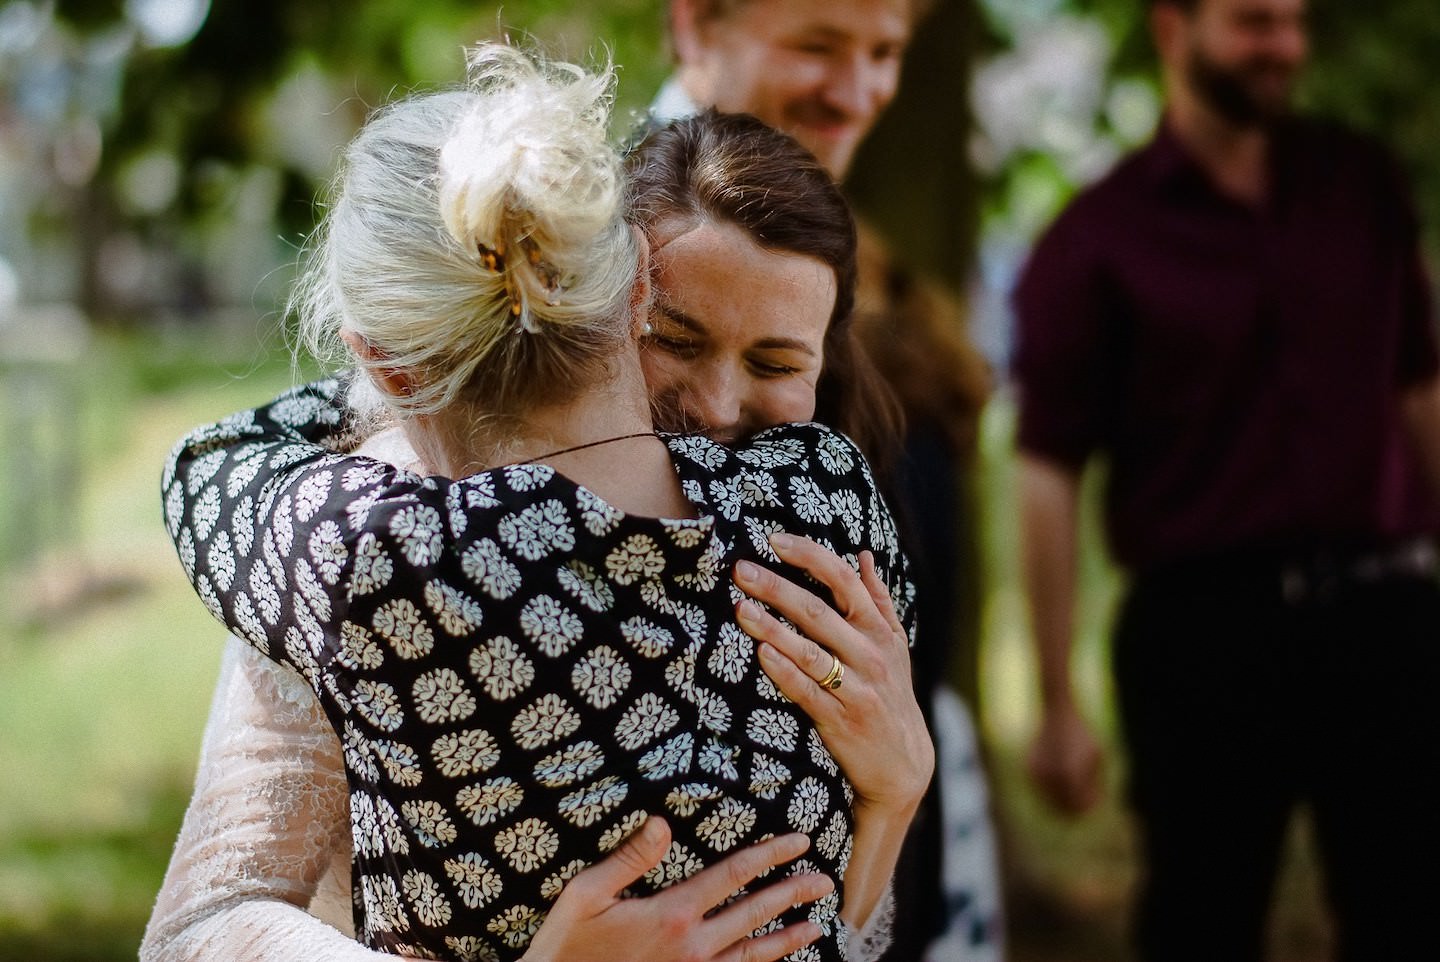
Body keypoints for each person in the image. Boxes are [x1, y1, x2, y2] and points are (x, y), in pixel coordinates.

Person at [152, 44, 932, 962]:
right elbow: (204, 927)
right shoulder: (374, 517)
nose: (720, 408)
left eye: (774, 362)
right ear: (627, 284)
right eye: (675, 339)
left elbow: (825, 934)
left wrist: (894, 796)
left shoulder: (814, 519)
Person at [1014, 0, 1440, 959]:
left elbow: (1421, 388)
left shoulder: (1362, 186)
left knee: (1414, 913)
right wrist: (1055, 703)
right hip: (1202, 640)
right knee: (1200, 924)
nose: (1284, 47)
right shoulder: (1093, 239)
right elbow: (1046, 471)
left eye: (1294, 23)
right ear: (1174, 29)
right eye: (1254, 23)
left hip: (1388, 620)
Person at [658, 3, 1001, 957]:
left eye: (886, 53)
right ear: (695, 28)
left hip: (905, 823)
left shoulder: (863, 258)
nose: (856, 94)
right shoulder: (598, 251)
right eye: (816, 45)